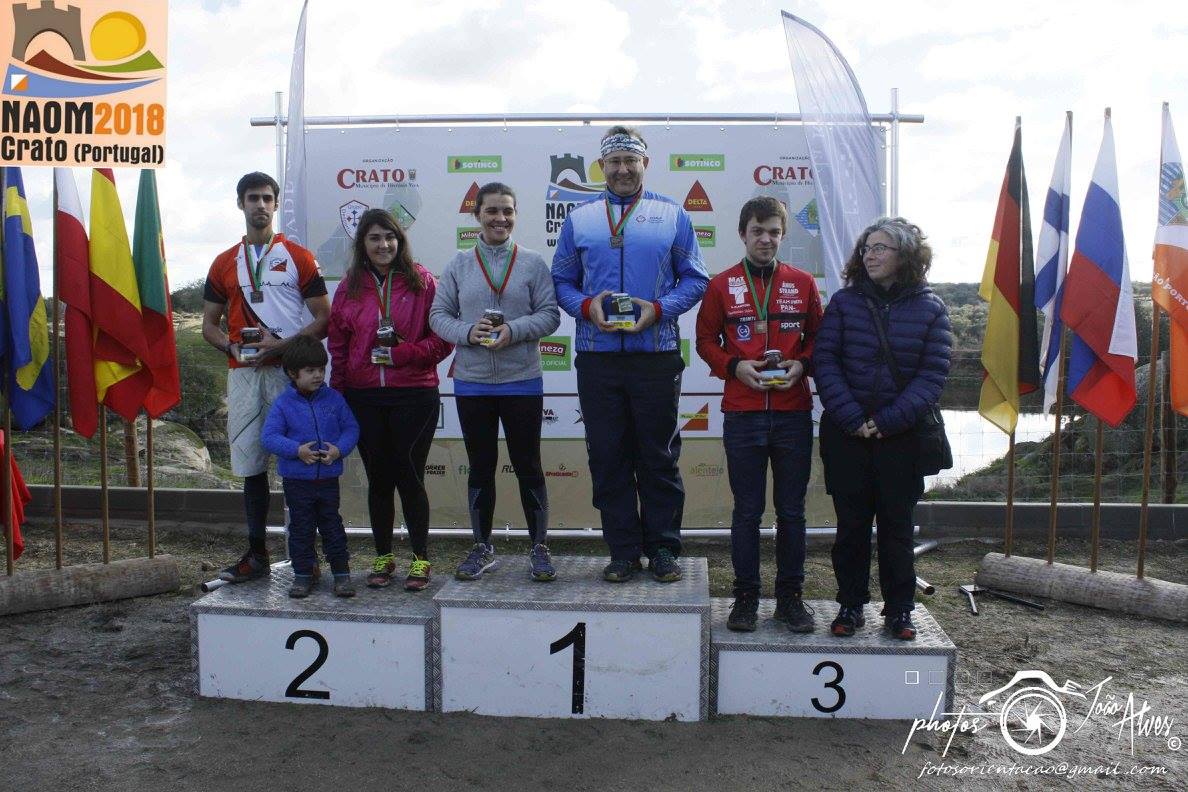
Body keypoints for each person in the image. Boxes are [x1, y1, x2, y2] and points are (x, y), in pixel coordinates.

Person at [552, 126, 709, 583]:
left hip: (654, 354)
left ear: (645, 163)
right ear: (603, 166)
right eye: (614, 161)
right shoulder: (579, 219)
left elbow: (695, 278)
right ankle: (622, 550)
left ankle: (662, 548)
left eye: (630, 160)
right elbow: (561, 281)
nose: (622, 169)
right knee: (607, 455)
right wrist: (586, 307)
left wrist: (657, 310)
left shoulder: (671, 213)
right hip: (597, 355)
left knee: (657, 455)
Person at [812, 217, 952, 641]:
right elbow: (825, 362)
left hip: (901, 438)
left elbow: (933, 376)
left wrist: (888, 421)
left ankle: (899, 612)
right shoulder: (843, 303)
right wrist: (853, 417)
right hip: (847, 435)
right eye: (867, 248)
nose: (870, 255)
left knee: (895, 530)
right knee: (851, 529)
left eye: (881, 248)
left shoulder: (932, 309)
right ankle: (851, 606)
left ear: (905, 255)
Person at [695, 197, 822, 633]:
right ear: (743, 233)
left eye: (773, 232)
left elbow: (819, 341)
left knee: (791, 512)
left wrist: (802, 364)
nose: (765, 239)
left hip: (792, 412)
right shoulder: (721, 284)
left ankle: (790, 598)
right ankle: (745, 597)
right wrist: (735, 366)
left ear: (782, 235)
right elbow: (706, 341)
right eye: (757, 231)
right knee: (747, 511)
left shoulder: (803, 282)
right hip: (743, 413)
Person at [429, 183, 561, 581]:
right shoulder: (458, 264)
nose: (500, 218)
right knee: (481, 467)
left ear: (516, 214)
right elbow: (438, 316)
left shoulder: (534, 262)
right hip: (472, 382)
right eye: (491, 211)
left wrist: (514, 330)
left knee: (528, 465)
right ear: (477, 216)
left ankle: (539, 546)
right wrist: (470, 333)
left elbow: (551, 315)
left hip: (522, 379)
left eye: (507, 210)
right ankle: (482, 546)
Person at [204, 172, 330, 584]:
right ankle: (256, 554)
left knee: (300, 461)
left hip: (289, 375)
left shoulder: (298, 256)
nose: (260, 205)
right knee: (251, 467)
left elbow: (324, 318)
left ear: (276, 205)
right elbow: (209, 325)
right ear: (240, 204)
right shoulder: (224, 262)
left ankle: (306, 556)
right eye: (252, 198)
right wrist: (229, 346)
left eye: (266, 198)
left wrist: (284, 346)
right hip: (243, 375)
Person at [328, 208, 453, 592]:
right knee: (379, 477)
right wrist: (339, 394)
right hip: (364, 396)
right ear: (362, 244)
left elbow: (443, 340)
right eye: (374, 238)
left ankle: (420, 558)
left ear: (399, 240)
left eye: (389, 237)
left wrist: (402, 354)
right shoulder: (349, 286)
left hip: (414, 393)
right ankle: (383, 555)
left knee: (408, 473)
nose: (383, 245)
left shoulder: (423, 282)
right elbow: (339, 345)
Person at [260, 336, 360, 598]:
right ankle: (302, 576)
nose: (317, 375)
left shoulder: (334, 399)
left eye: (321, 369)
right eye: (310, 371)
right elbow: (269, 437)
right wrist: (297, 450)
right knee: (301, 529)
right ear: (293, 373)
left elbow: (351, 428)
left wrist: (338, 450)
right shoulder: (283, 403)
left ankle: (342, 575)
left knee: (332, 527)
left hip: (327, 481)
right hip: (297, 483)